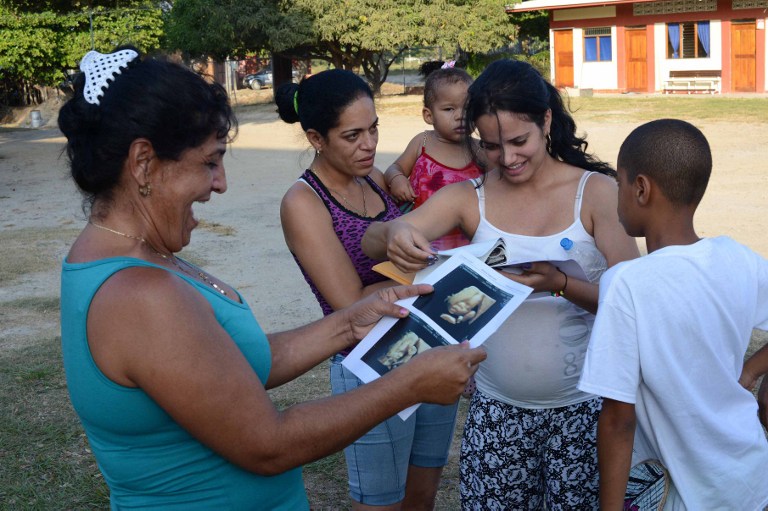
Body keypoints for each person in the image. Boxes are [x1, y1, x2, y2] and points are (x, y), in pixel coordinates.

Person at [58, 47, 486, 511]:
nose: (220, 183)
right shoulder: (139, 294)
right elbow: (268, 444)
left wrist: (348, 324)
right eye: (209, 162)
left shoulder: (129, 259)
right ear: (143, 162)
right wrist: (408, 386)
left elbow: (233, 366)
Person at [362, 59, 640, 509]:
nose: (507, 159)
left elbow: (635, 303)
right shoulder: (472, 198)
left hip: (586, 412)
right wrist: (396, 234)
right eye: (491, 147)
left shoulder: (595, 193)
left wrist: (561, 285)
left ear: (545, 120)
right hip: (496, 412)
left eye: (519, 141)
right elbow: (373, 241)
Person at [276, 69, 462, 511]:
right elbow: (347, 304)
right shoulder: (303, 202)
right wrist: (441, 273)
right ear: (317, 138)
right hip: (367, 365)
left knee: (422, 493)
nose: (369, 144)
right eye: (352, 135)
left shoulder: (372, 178)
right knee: (379, 502)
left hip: (425, 346)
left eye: (374, 128)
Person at [577, 119, 768, 510]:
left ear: (642, 189)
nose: (617, 197)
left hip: (680, 493)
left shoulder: (626, 284)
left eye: (620, 184)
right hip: (748, 479)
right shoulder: (741, 259)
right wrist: (749, 371)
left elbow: (618, 419)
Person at [383, 62, 481, 250]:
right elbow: (395, 168)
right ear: (429, 115)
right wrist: (397, 179)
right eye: (449, 109)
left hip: (469, 245)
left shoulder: (480, 150)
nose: (461, 116)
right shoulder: (423, 142)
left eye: (468, 108)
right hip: (422, 240)